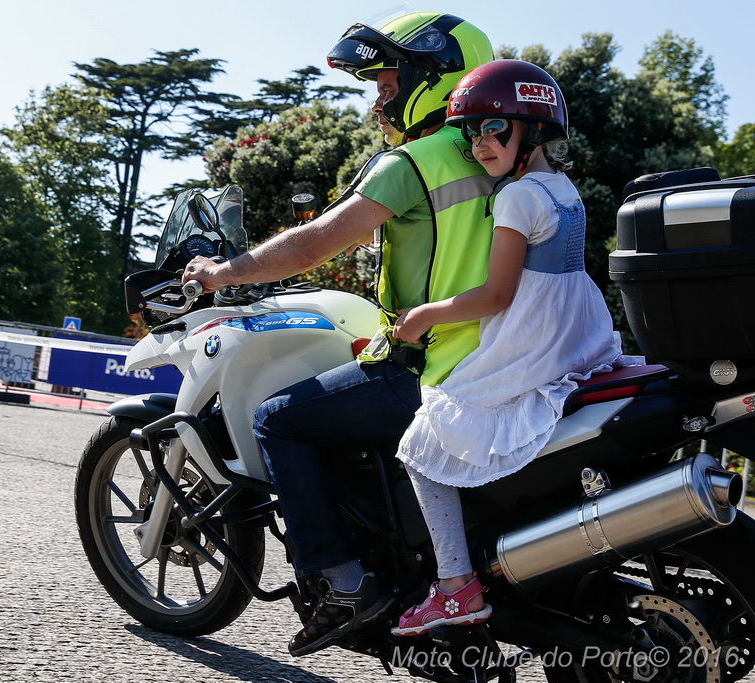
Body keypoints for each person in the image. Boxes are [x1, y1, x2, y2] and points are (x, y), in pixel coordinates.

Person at [181, 11, 494, 656]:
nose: (379, 99)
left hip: (432, 367)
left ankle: (342, 584)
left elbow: (313, 244)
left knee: (279, 419)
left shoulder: (416, 162)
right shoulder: (509, 158)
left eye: (388, 81)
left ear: (433, 78)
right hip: (507, 363)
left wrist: (222, 272)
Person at [389, 59, 635, 636]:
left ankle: (456, 585)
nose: (480, 144)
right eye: (472, 133)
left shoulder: (517, 197)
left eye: (494, 128)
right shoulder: (564, 189)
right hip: (577, 338)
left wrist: (423, 315)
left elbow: (497, 295)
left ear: (533, 131)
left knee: (422, 445)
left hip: (529, 343)